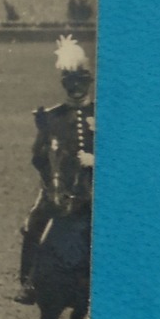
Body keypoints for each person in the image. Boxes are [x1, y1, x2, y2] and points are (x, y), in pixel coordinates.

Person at [14, 35, 95, 304]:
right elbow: (38, 159)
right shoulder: (52, 116)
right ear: (64, 85)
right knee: (33, 224)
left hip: (94, 188)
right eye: (71, 85)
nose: (76, 90)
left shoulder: (103, 114)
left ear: (88, 83)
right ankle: (28, 283)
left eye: (81, 84)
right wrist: (50, 171)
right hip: (60, 189)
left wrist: (97, 161)